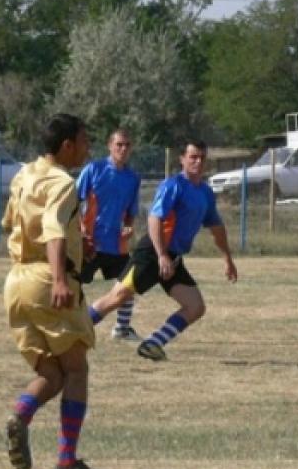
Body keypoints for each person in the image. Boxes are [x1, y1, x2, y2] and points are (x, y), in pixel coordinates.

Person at [2, 113, 103, 469]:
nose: (88, 149)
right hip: (47, 279)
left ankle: (20, 415)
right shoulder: (62, 182)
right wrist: (60, 278)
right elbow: (53, 230)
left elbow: (11, 224)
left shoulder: (23, 175)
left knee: (52, 372)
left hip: (17, 281)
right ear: (67, 145)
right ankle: (66, 461)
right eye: (84, 141)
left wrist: (77, 244)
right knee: (76, 369)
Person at [86, 141, 238, 361]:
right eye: (193, 157)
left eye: (202, 158)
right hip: (152, 253)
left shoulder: (205, 192)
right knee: (116, 298)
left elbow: (216, 227)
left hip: (172, 258)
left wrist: (228, 259)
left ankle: (153, 344)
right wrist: (161, 255)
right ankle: (70, 332)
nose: (198, 161)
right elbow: (154, 219)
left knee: (195, 307)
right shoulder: (173, 185)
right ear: (182, 159)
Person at [78, 129, 143, 341]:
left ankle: (122, 329)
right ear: (109, 146)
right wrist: (80, 229)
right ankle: (64, 324)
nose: (123, 149)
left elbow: (130, 213)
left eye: (127, 145)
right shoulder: (93, 169)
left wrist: (128, 227)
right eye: (119, 145)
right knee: (72, 285)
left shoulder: (132, 178)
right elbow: (73, 201)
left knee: (128, 285)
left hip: (116, 243)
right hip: (90, 243)